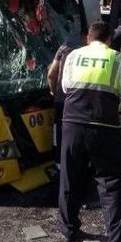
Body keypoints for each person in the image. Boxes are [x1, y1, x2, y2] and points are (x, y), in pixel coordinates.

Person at [58, 21, 121, 242]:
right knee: (110, 181)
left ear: (88, 38)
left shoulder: (73, 56)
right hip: (104, 127)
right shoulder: (116, 58)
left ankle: (69, 229)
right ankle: (116, 238)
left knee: (69, 176)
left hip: (72, 125)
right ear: (108, 40)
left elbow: (66, 87)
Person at [46, 27, 87, 165]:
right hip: (82, 102)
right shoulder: (89, 51)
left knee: (60, 133)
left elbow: (51, 74)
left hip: (61, 99)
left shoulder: (64, 47)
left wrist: (53, 92)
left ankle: (59, 163)